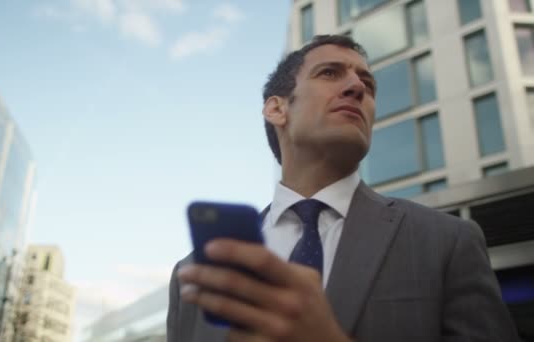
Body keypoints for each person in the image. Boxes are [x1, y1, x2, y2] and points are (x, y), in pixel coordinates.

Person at [166, 35, 520, 342]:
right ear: (277, 108)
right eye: (330, 73)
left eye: (367, 83)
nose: (357, 87)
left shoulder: (448, 242)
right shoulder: (194, 275)